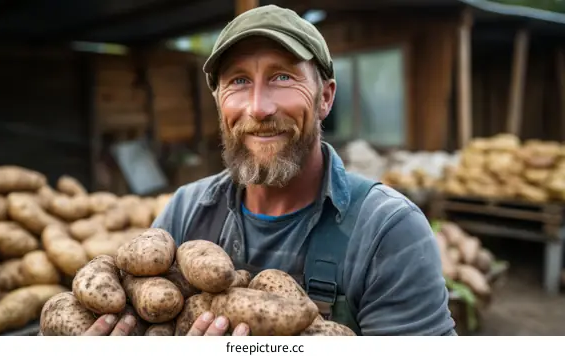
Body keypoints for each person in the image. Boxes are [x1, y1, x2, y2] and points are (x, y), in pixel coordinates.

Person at [82, 4, 457, 336]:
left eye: (282, 77)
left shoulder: (388, 230)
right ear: (218, 103)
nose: (259, 108)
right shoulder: (185, 211)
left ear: (325, 97)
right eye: (239, 81)